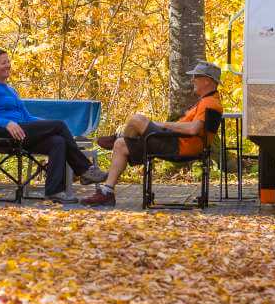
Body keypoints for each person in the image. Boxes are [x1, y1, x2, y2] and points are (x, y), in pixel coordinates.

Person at [81, 61, 224, 206]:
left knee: (136, 119)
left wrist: (163, 124)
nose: (192, 79)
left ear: (207, 80)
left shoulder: (209, 103)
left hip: (180, 146)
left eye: (195, 76)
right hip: (179, 143)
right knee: (120, 145)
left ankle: (119, 137)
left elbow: (193, 129)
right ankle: (107, 192)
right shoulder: (208, 101)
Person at [0, 48, 106, 203]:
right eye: (3, 63)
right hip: (4, 136)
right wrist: (7, 123)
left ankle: (54, 192)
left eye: (8, 61)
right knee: (59, 125)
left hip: (23, 132)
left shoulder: (11, 90)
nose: (8, 65)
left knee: (58, 141)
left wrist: (46, 123)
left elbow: (27, 117)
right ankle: (85, 170)